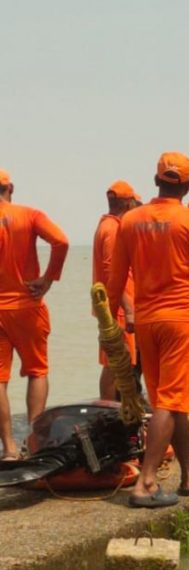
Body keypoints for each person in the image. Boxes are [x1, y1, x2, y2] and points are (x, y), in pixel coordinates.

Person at [107, 151, 189, 507]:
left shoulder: (130, 220)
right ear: (188, 185)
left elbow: (115, 278)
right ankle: (146, 483)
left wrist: (109, 321)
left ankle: (188, 475)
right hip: (180, 321)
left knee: (175, 402)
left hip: (146, 323)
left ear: (155, 182)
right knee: (169, 401)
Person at [0, 169, 69, 461]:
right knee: (37, 370)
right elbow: (61, 241)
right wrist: (48, 278)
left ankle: (9, 449)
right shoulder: (29, 215)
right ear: (10, 188)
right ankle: (34, 442)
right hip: (28, 304)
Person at [92, 180, 138, 401]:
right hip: (117, 307)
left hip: (116, 305)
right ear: (128, 203)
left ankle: (119, 408)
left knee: (121, 362)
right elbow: (112, 274)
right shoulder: (112, 229)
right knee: (114, 363)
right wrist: (128, 309)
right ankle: (108, 410)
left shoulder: (108, 225)